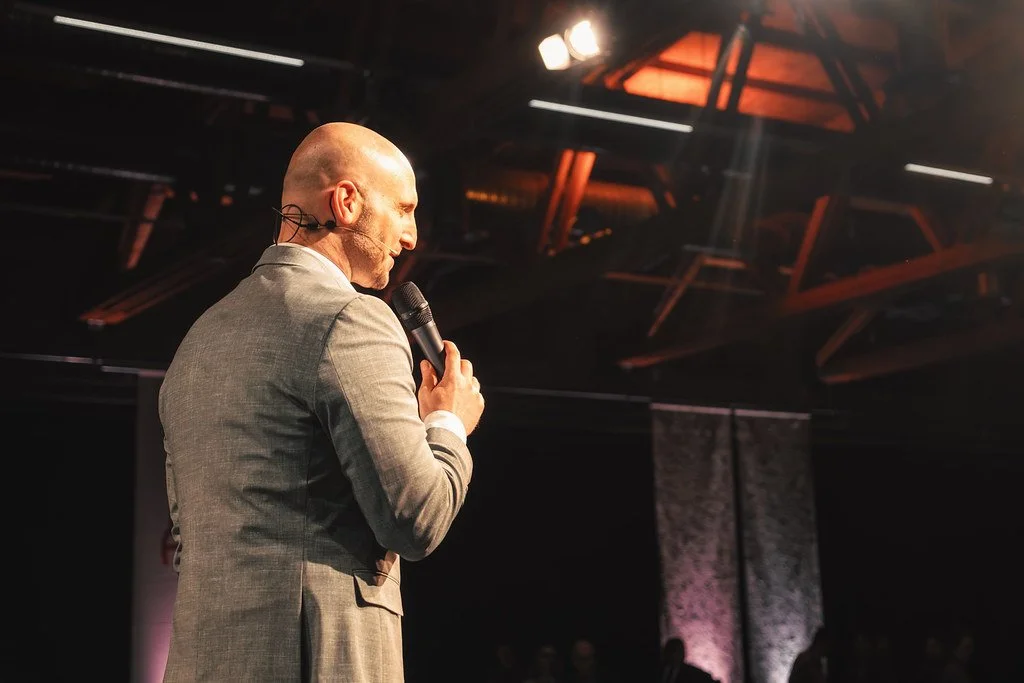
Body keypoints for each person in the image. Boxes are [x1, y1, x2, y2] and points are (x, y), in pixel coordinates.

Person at [158, 122, 485, 682]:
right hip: (318, 660)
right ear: (347, 201)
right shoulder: (352, 319)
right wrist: (448, 422)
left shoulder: (197, 341)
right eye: (404, 210)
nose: (411, 236)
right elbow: (415, 520)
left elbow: (187, 538)